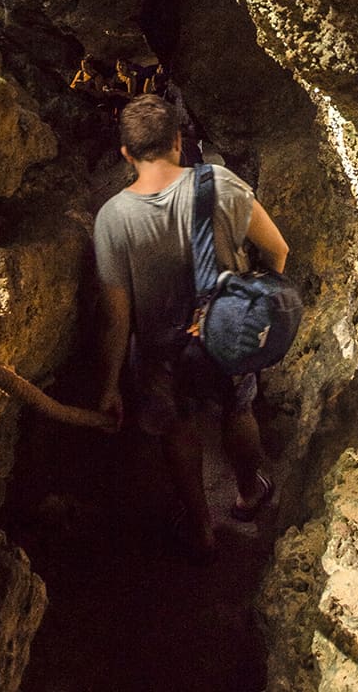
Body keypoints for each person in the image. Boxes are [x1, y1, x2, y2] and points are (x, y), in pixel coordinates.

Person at [93, 93, 290, 557]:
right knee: (238, 411)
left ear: (126, 154)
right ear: (178, 142)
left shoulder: (112, 219)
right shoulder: (220, 185)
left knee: (177, 429)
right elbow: (278, 249)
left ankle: (201, 528)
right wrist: (262, 302)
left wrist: (108, 387)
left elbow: (116, 317)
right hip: (225, 335)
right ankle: (247, 493)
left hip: (160, 351)